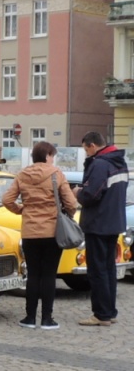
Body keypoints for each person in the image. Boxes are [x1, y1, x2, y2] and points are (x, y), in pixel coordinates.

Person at [1, 141, 77, 330]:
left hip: (29, 232)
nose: (53, 159)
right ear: (48, 156)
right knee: (49, 274)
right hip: (52, 232)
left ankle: (29, 317)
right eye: (53, 155)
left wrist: (21, 210)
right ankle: (47, 319)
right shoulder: (56, 174)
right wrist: (66, 212)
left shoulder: (22, 175)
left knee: (33, 274)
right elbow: (71, 203)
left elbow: (6, 199)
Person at [75, 131, 128, 326]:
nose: (86, 153)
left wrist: (77, 193)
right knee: (108, 269)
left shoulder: (100, 164)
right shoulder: (119, 163)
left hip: (98, 223)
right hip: (114, 222)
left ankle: (101, 314)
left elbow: (91, 194)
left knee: (97, 270)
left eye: (85, 149)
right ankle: (110, 311)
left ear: (92, 146)